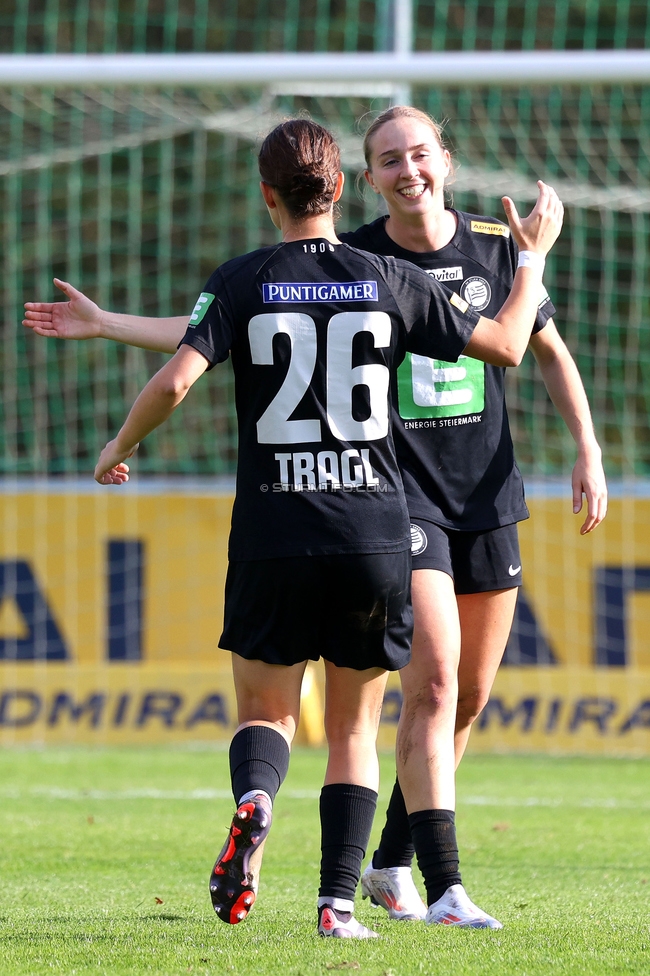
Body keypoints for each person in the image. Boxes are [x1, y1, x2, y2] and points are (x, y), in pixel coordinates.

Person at [26, 118, 563, 935]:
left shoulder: (245, 279)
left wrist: (117, 445)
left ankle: (253, 799)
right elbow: (508, 344)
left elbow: (177, 380)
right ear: (343, 188)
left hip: (274, 531)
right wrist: (528, 260)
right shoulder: (385, 276)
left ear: (267, 195)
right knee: (353, 727)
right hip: (375, 534)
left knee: (267, 712)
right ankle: (337, 907)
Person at [340, 106, 607, 927]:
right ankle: (450, 887)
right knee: (434, 680)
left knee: (470, 697)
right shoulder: (357, 259)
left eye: (419, 154)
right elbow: (252, 321)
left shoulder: (499, 249)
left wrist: (587, 448)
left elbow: (550, 354)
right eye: (389, 160)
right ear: (371, 176)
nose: (407, 170)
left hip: (489, 496)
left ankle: (392, 863)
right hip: (400, 494)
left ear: (445, 161)